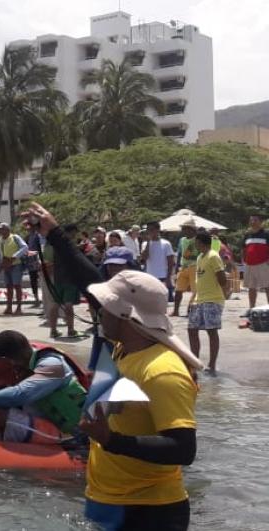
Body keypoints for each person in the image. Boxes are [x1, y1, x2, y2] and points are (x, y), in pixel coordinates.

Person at [27, 202, 201, 531]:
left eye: (106, 306)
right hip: (108, 500)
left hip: (148, 511)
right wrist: (54, 234)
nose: (96, 310)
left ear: (125, 315)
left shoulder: (162, 371)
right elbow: (89, 282)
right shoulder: (123, 348)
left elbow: (183, 449)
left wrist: (110, 440)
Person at [188, 229, 228, 374]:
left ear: (201, 242)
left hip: (213, 300)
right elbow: (199, 280)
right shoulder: (200, 257)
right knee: (192, 329)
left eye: (196, 242)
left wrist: (225, 293)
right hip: (199, 299)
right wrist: (192, 299)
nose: (195, 245)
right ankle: (195, 362)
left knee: (211, 331)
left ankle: (212, 365)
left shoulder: (213, 256)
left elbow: (222, 279)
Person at [0, 223, 29, 316]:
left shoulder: (15, 237)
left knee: (17, 286)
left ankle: (19, 308)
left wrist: (14, 257)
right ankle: (9, 307)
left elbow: (25, 247)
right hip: (6, 266)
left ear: (7, 230)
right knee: (8, 287)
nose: (0, 231)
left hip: (16, 265)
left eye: (2, 229)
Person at [141, 221, 176, 304]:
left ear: (158, 230)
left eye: (151, 229)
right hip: (149, 276)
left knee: (162, 301)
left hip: (163, 276)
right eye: (148, 230)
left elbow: (170, 262)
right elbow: (144, 258)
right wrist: (148, 242)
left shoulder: (166, 244)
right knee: (150, 301)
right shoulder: (145, 244)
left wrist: (168, 277)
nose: (149, 232)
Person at [171, 221, 199, 317]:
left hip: (195, 267)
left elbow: (201, 254)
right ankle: (176, 311)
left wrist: (190, 256)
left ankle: (190, 310)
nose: (184, 231)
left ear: (192, 230)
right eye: (183, 229)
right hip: (183, 267)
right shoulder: (182, 240)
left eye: (186, 229)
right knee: (178, 290)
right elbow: (180, 253)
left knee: (195, 291)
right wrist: (177, 267)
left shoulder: (197, 240)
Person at [243, 214, 269, 313]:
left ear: (260, 222)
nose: (252, 222)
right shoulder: (247, 235)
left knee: (267, 287)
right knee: (251, 288)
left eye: (255, 220)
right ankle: (252, 309)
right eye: (251, 220)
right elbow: (244, 249)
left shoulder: (266, 234)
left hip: (263, 264)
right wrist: (244, 260)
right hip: (249, 264)